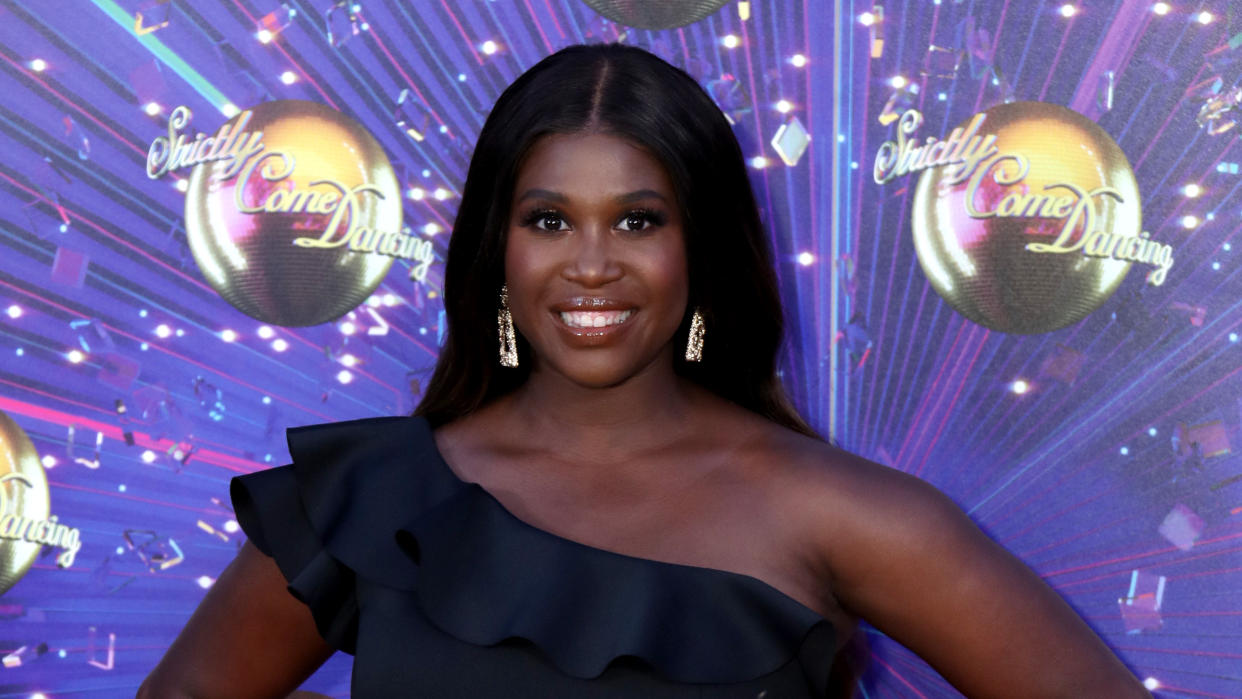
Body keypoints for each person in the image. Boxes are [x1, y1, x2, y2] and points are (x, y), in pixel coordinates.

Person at [139, 43, 1150, 698]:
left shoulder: (838, 514)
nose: (590, 263)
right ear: (498, 247)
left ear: (698, 248)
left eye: (638, 219)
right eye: (548, 221)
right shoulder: (371, 498)